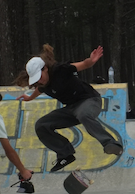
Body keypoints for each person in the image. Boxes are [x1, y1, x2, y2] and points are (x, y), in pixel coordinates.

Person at [17, 44, 124, 172]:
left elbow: (83, 64)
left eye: (40, 77)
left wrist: (91, 61)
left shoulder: (60, 70)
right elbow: (39, 89)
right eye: (36, 80)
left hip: (89, 100)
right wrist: (30, 98)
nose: (40, 81)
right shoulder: (43, 84)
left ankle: (110, 144)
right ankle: (65, 154)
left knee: (83, 115)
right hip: (71, 109)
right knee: (41, 125)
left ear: (45, 68)